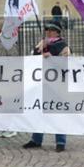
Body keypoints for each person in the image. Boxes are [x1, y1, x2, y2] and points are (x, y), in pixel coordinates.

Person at [23, 22, 70, 152]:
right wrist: (39, 50)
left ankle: (60, 141)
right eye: (47, 30)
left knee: (57, 113)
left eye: (51, 30)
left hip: (57, 84)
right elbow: (32, 57)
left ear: (57, 32)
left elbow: (66, 64)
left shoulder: (63, 46)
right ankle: (36, 139)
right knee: (39, 111)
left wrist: (52, 57)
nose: (48, 33)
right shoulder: (43, 43)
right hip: (41, 82)